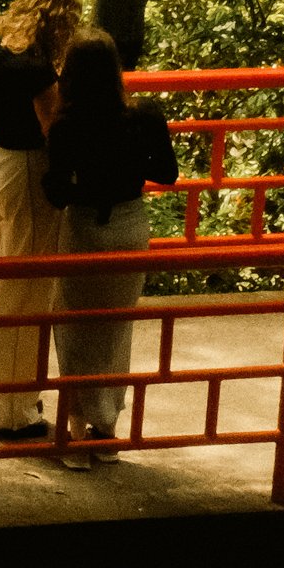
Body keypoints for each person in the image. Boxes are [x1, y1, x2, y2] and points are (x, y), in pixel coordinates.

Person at [42, 29, 178, 468]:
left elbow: (56, 192)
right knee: (117, 328)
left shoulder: (66, 125)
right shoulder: (143, 115)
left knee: (75, 327)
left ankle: (76, 428)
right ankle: (107, 431)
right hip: (130, 226)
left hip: (83, 228)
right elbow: (168, 173)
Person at [0, 0, 84, 439]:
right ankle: (9, 410)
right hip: (26, 174)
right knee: (25, 289)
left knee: (10, 278)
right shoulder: (36, 69)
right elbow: (53, 127)